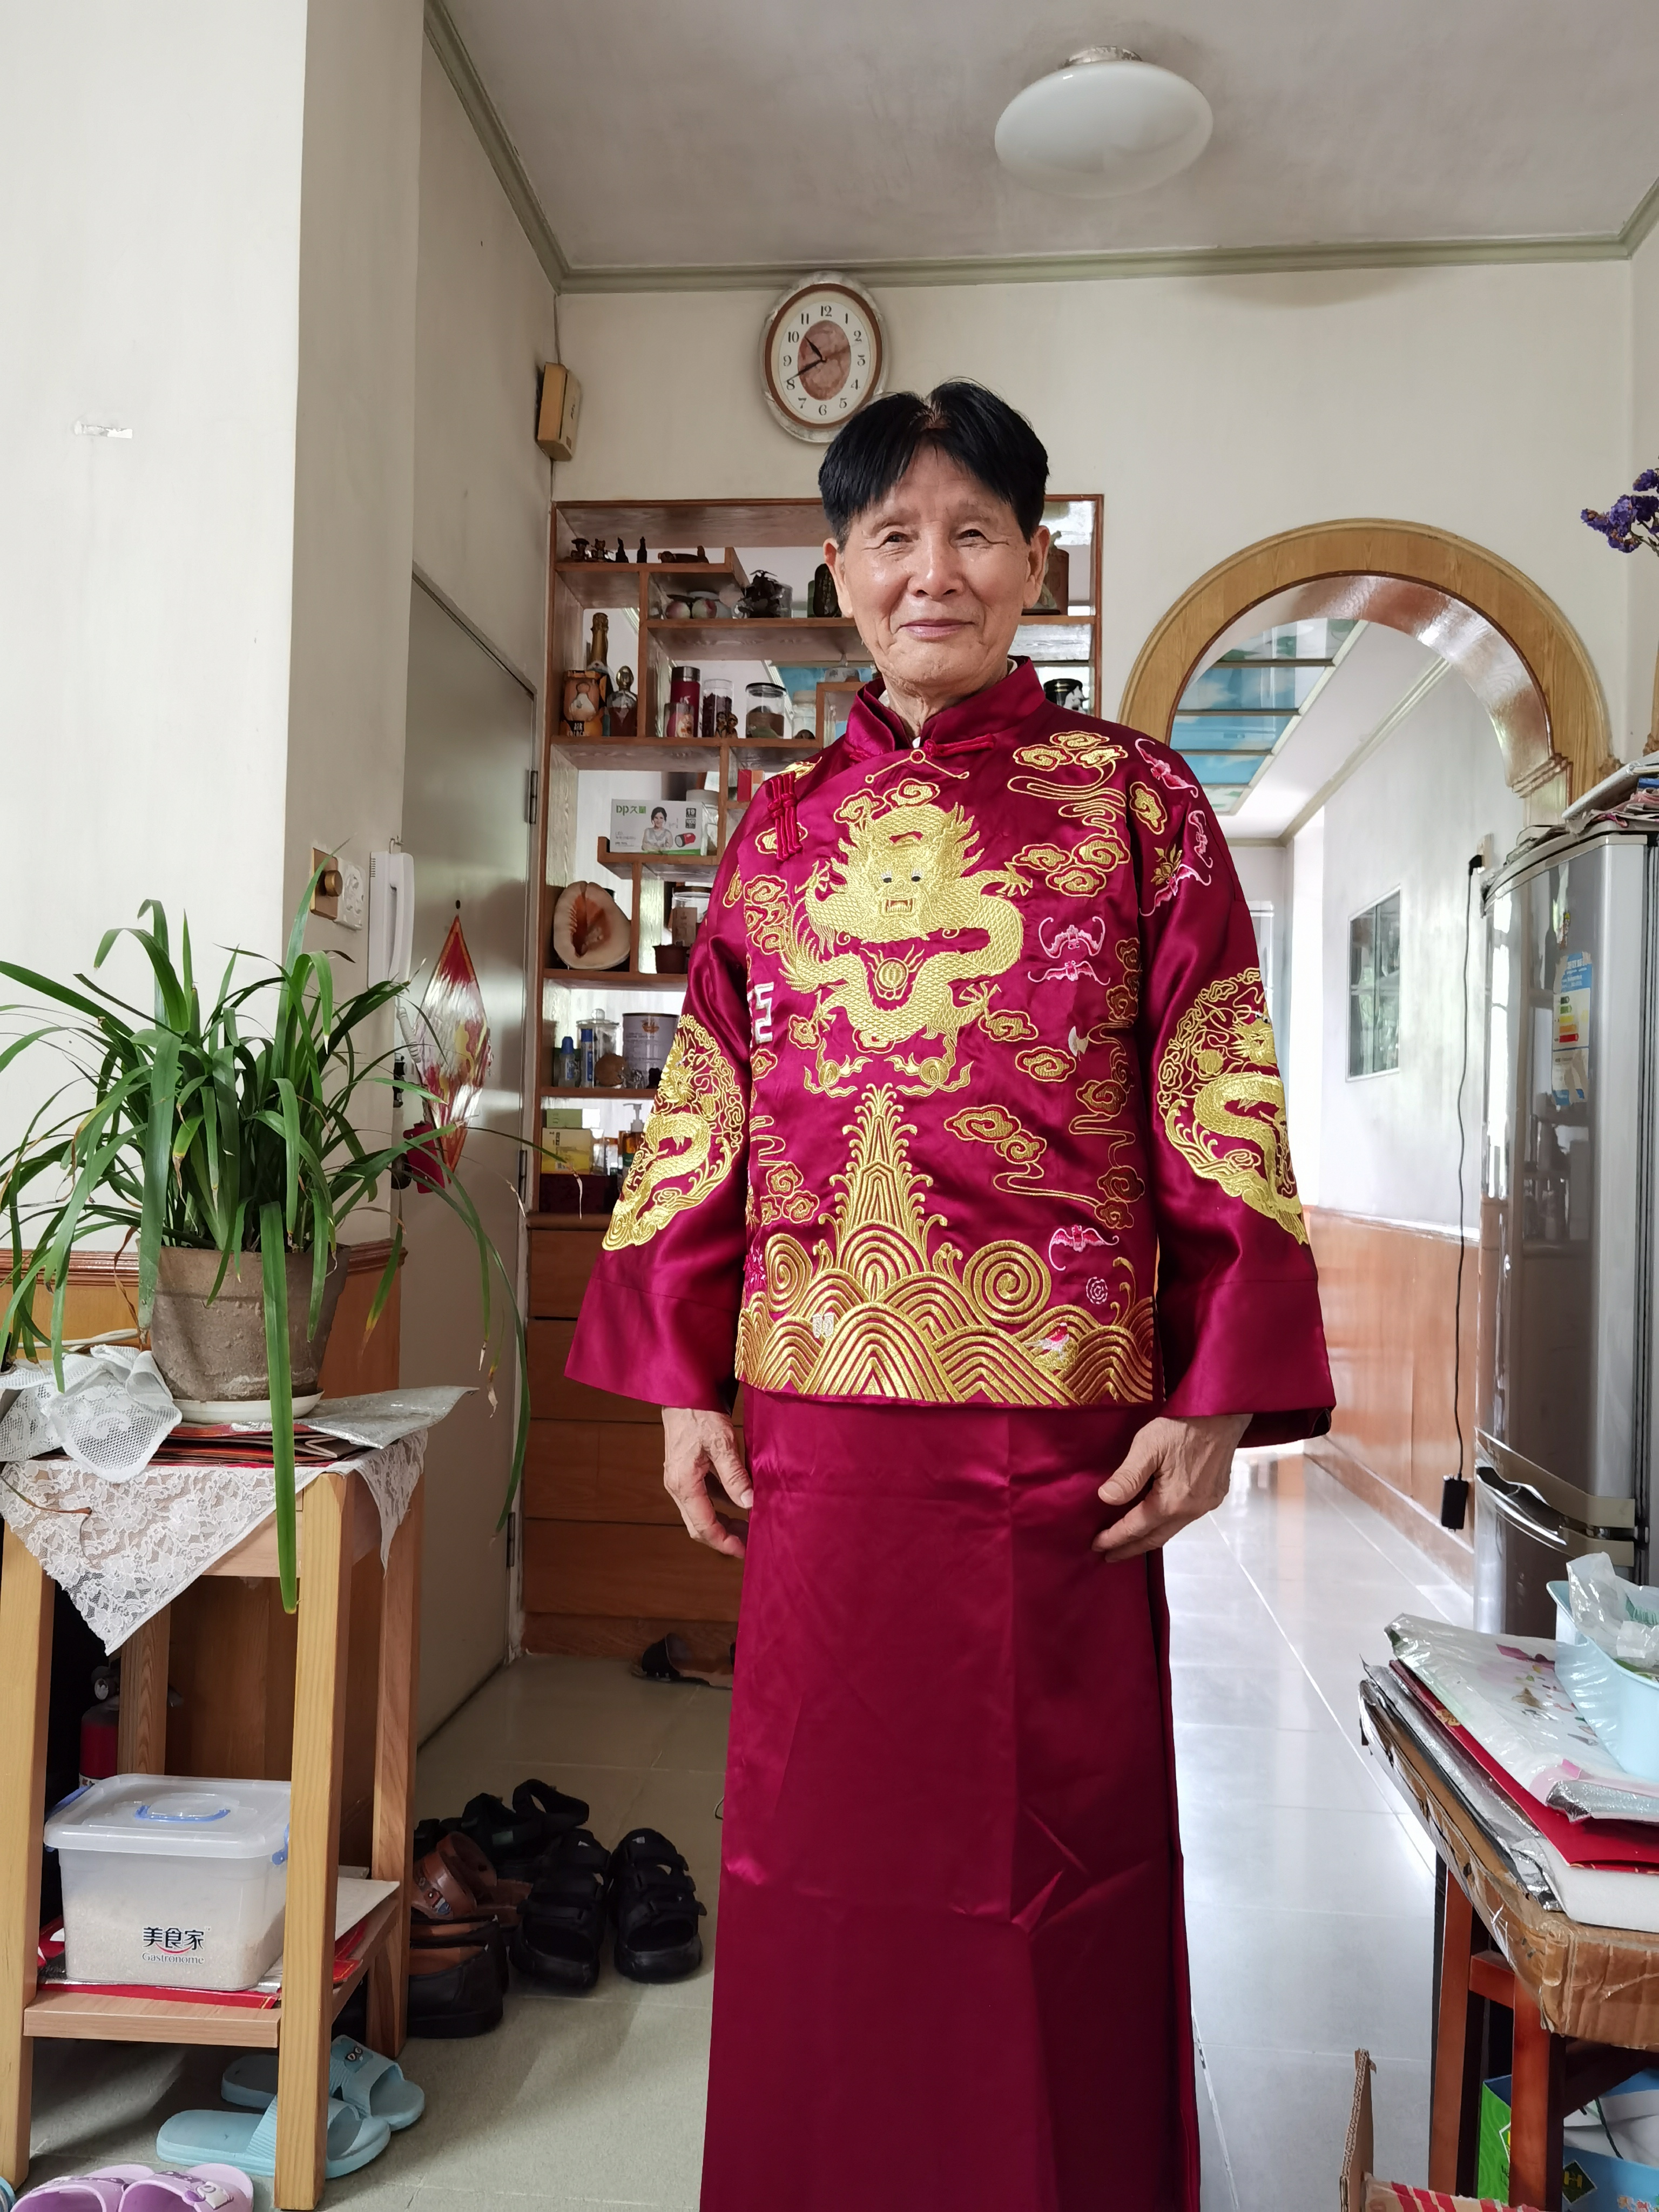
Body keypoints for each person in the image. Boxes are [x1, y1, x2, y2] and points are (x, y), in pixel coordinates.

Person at [567, 381, 1333, 2212]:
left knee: (1057, 1856)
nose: (936, 571)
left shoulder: (1136, 803)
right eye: (895, 536)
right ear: (841, 572)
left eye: (975, 532)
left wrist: (1216, 1391)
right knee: (815, 1850)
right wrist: (681, 1382)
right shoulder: (773, 831)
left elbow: (1216, 1088)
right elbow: (706, 1110)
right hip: (821, 1437)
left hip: (1057, 1443)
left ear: (1033, 564)